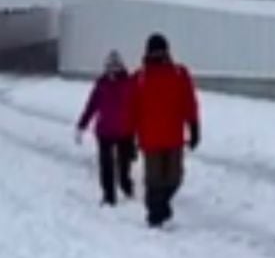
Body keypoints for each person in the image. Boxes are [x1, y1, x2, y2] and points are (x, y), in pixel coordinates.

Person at [129, 33, 200, 228]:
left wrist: (194, 126)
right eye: (155, 51)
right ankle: (155, 215)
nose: (158, 54)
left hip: (173, 137)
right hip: (150, 139)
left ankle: (161, 207)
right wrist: (129, 138)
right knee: (154, 180)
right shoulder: (139, 78)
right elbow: (131, 110)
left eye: (161, 50)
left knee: (174, 179)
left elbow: (189, 101)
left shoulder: (179, 73)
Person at [76, 50, 136, 206]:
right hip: (105, 132)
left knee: (124, 165)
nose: (113, 70)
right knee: (106, 165)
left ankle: (126, 185)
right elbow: (91, 106)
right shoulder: (101, 85)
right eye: (110, 66)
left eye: (116, 66)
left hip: (125, 131)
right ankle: (109, 196)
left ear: (121, 67)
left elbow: (137, 107)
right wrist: (82, 125)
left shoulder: (129, 83)